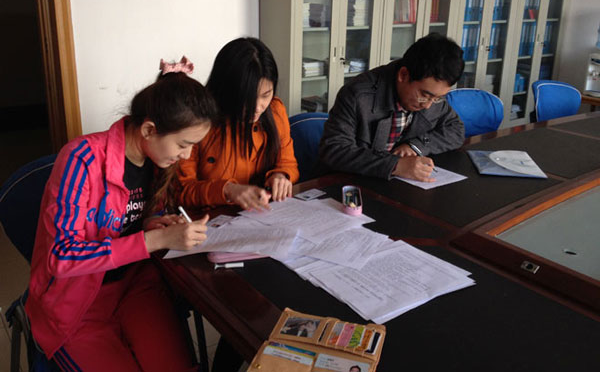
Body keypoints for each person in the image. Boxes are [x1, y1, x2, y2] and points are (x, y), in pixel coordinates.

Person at [25, 58, 217, 371]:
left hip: (136, 287)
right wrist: (154, 240)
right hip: (78, 305)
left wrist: (152, 225)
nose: (187, 155)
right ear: (149, 129)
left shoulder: (156, 162)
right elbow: (61, 256)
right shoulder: (81, 160)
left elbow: (125, 220)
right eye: (184, 144)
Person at [319, 33, 465, 182]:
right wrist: (395, 165)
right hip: (351, 182)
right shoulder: (357, 95)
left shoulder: (432, 95)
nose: (427, 105)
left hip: (395, 183)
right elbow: (335, 150)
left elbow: (456, 129)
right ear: (403, 75)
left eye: (437, 98)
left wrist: (415, 146)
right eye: (425, 95)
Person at [177, 37, 299, 211]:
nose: (258, 107)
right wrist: (226, 190)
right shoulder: (197, 121)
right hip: (211, 218)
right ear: (225, 90)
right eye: (247, 99)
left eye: (266, 95)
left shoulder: (276, 111)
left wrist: (281, 175)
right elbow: (180, 191)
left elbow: (288, 163)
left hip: (262, 213)